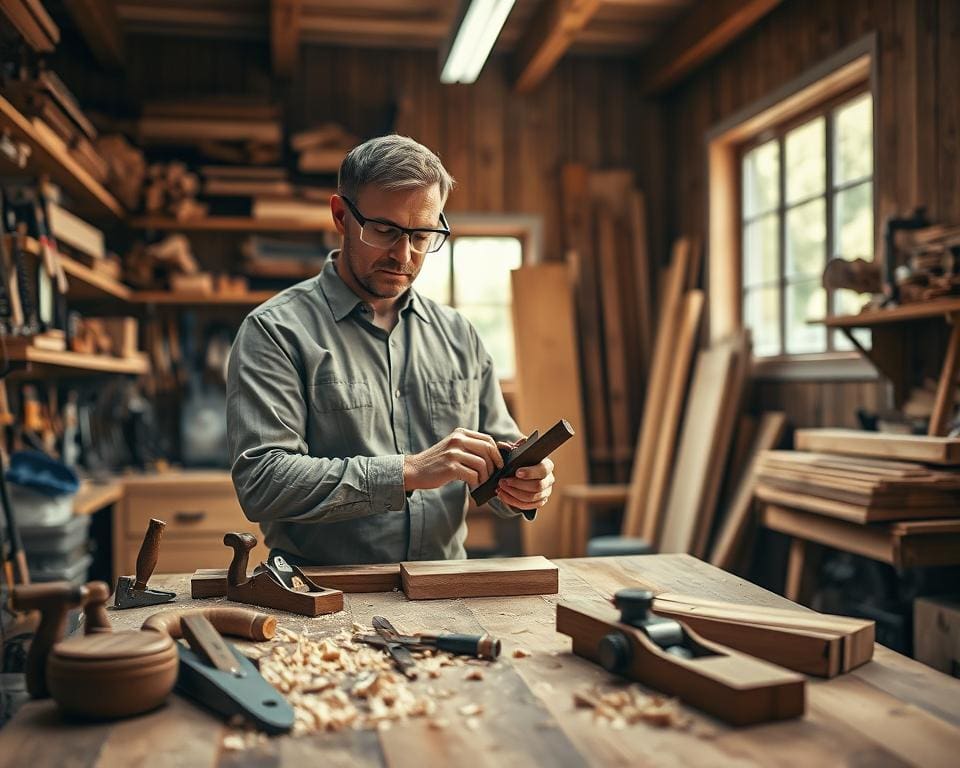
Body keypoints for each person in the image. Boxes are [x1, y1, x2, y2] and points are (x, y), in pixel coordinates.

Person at [226, 134, 556, 564]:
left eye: (422, 235)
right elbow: (263, 482)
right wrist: (408, 471)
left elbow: (497, 464)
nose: (404, 255)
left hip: (443, 589)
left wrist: (524, 485)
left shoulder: (460, 335)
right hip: (321, 597)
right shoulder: (274, 331)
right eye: (385, 231)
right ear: (341, 215)